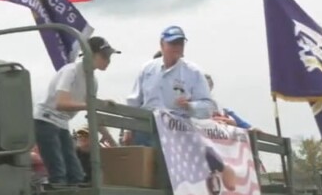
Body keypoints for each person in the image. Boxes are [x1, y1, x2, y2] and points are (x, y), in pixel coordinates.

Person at [34, 36, 120, 185]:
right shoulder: (71, 71)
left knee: (76, 174)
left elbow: (91, 111)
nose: (108, 60)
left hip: (61, 123)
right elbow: (61, 103)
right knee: (58, 171)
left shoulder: (92, 80)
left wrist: (110, 140)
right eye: (104, 56)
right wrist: (92, 105)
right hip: (45, 120)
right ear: (89, 54)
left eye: (109, 56)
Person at [124, 26, 215, 146]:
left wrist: (190, 106)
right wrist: (128, 129)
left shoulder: (194, 72)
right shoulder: (147, 69)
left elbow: (208, 107)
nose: (177, 47)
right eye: (173, 43)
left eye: (180, 43)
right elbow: (134, 102)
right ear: (162, 45)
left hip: (177, 134)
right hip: (146, 130)